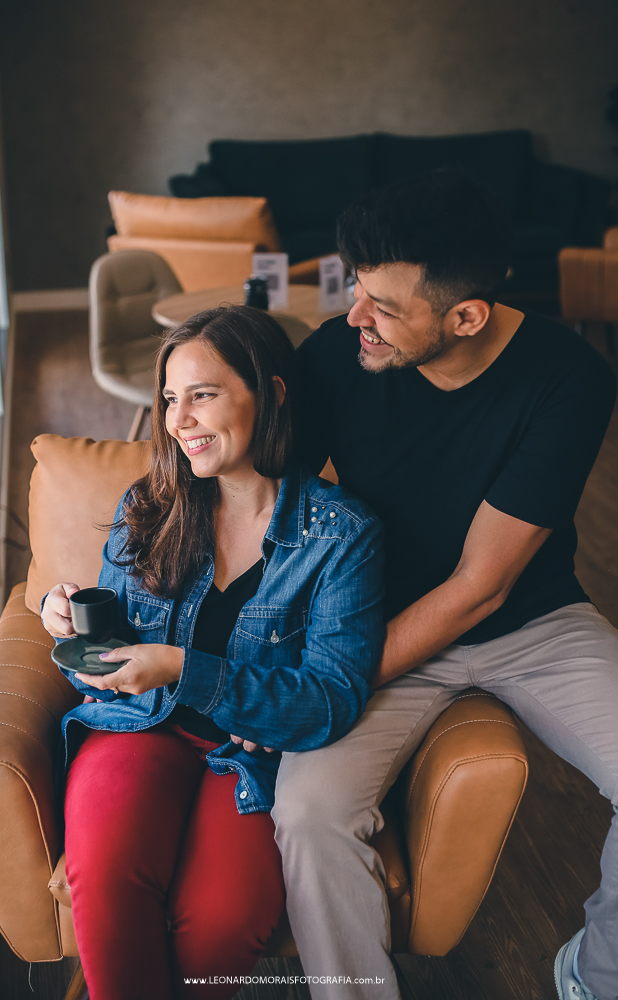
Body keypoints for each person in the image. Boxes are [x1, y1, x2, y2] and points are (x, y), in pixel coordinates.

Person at [270, 170, 618, 1000]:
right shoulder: (335, 355)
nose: (355, 315)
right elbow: (260, 501)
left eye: (383, 306)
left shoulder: (567, 378)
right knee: (309, 815)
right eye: (356, 287)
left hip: (531, 620)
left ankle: (594, 975)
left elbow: (480, 587)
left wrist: (327, 683)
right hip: (370, 615)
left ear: (465, 315)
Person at [40, 305, 384, 1000]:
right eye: (170, 398)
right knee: (105, 877)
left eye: (202, 395)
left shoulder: (341, 536)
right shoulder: (151, 505)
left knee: (223, 919)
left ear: (272, 392)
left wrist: (181, 666)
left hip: (255, 757)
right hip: (142, 729)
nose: (178, 420)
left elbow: (328, 699)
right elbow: (107, 661)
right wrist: (62, 622)